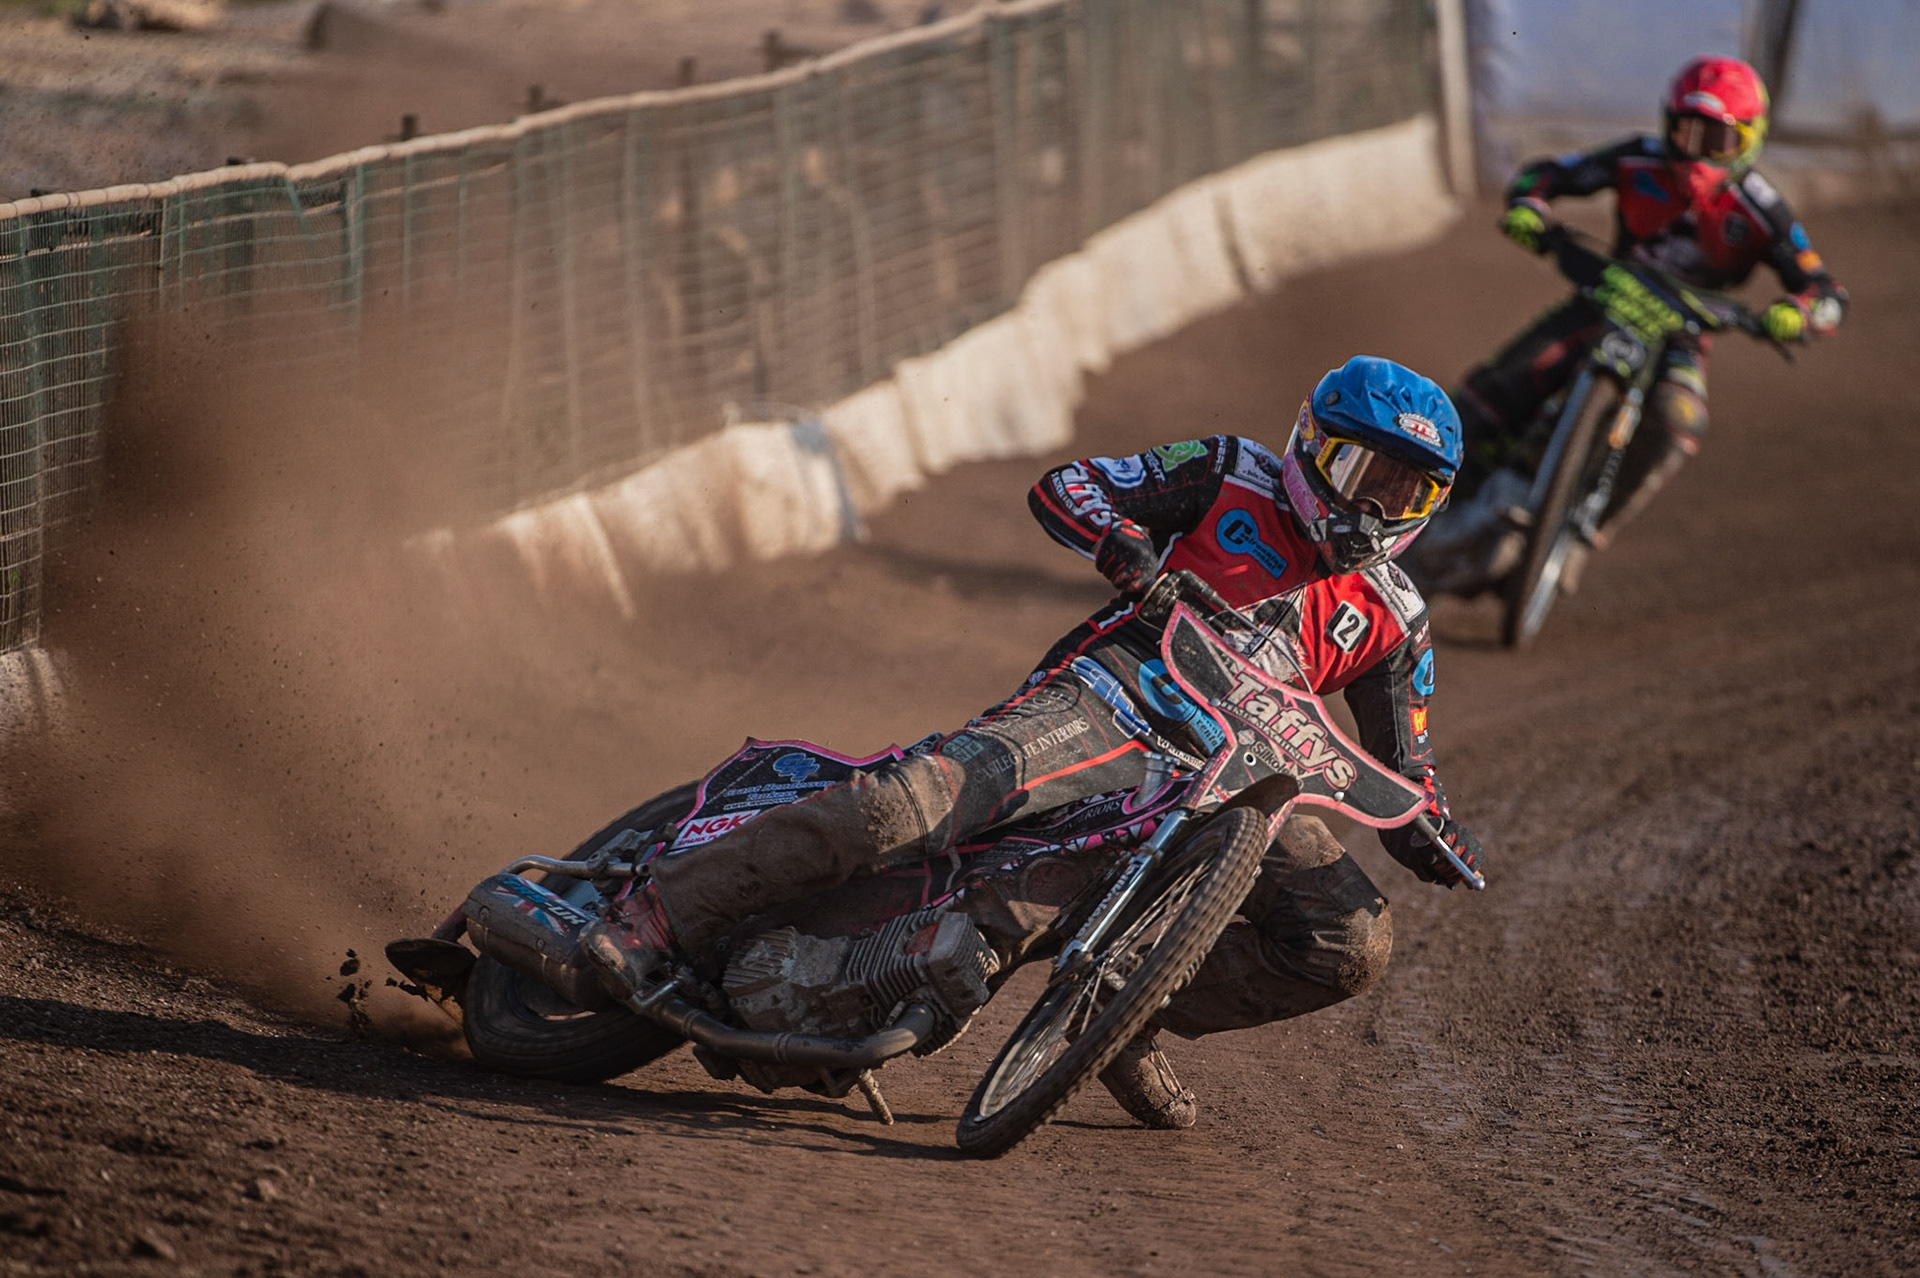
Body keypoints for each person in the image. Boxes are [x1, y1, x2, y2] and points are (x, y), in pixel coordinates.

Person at [586, 355, 1485, 1130]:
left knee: (1349, 941)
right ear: (1312, 444)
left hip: (1243, 784)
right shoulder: (1230, 471)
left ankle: (1131, 1016)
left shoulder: (1397, 617)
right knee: (912, 803)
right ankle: (656, 914)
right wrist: (1133, 555)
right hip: (1120, 701)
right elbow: (1072, 485)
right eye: (1364, 469)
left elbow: (1406, 768)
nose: (1378, 504)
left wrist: (1433, 833)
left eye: (1408, 490)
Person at [1417, 54, 1847, 595]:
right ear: (1667, 124)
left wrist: (1799, 313)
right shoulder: (1637, 159)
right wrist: (1530, 204)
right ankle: (1408, 493)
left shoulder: (1760, 210)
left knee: (1677, 422)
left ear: (1750, 143)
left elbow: (1826, 293)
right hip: (1606, 300)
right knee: (1490, 391)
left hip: (1681, 334)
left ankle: (1580, 538)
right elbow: (1546, 172)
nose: (1695, 152)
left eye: (1717, 141)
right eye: (1685, 131)